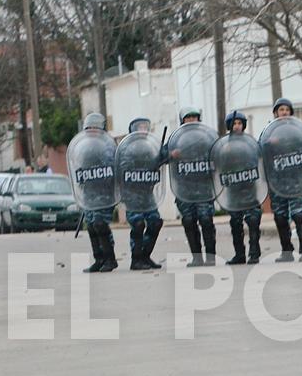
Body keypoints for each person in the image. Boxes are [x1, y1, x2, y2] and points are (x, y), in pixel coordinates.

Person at [262, 98, 302, 263]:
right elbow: (259, 153)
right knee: (280, 217)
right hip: (277, 181)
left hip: (295, 179)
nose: (284, 112)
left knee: (299, 214)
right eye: (281, 109)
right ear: (275, 113)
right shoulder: (267, 132)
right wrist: (269, 145)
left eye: (286, 109)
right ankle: (286, 250)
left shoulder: (298, 131)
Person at [172, 106, 218, 267]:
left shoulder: (207, 137)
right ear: (182, 120)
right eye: (188, 117)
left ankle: (211, 257)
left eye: (194, 117)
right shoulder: (175, 139)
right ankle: (197, 257)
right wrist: (171, 154)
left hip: (204, 188)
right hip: (185, 190)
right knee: (189, 221)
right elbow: (161, 157)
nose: (191, 120)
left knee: (206, 220)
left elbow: (219, 153)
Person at [122, 117, 164, 271]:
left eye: (145, 127)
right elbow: (123, 169)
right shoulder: (127, 148)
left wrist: (166, 154)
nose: (143, 130)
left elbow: (160, 161)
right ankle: (136, 259)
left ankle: (145, 256)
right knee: (138, 224)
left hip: (148, 195)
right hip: (132, 195)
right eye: (140, 127)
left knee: (155, 222)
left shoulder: (151, 147)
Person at [79, 112, 118, 273]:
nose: (92, 131)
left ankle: (110, 259)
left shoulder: (108, 146)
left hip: (104, 193)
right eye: (89, 128)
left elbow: (112, 167)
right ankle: (99, 259)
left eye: (95, 127)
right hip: (89, 194)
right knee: (91, 226)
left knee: (100, 224)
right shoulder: (83, 148)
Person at [224, 111, 263, 265]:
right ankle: (239, 254)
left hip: (250, 187)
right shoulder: (224, 145)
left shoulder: (251, 143)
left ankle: (254, 253)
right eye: (234, 123)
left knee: (253, 220)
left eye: (240, 123)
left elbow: (258, 158)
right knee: (235, 222)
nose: (237, 126)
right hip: (233, 189)